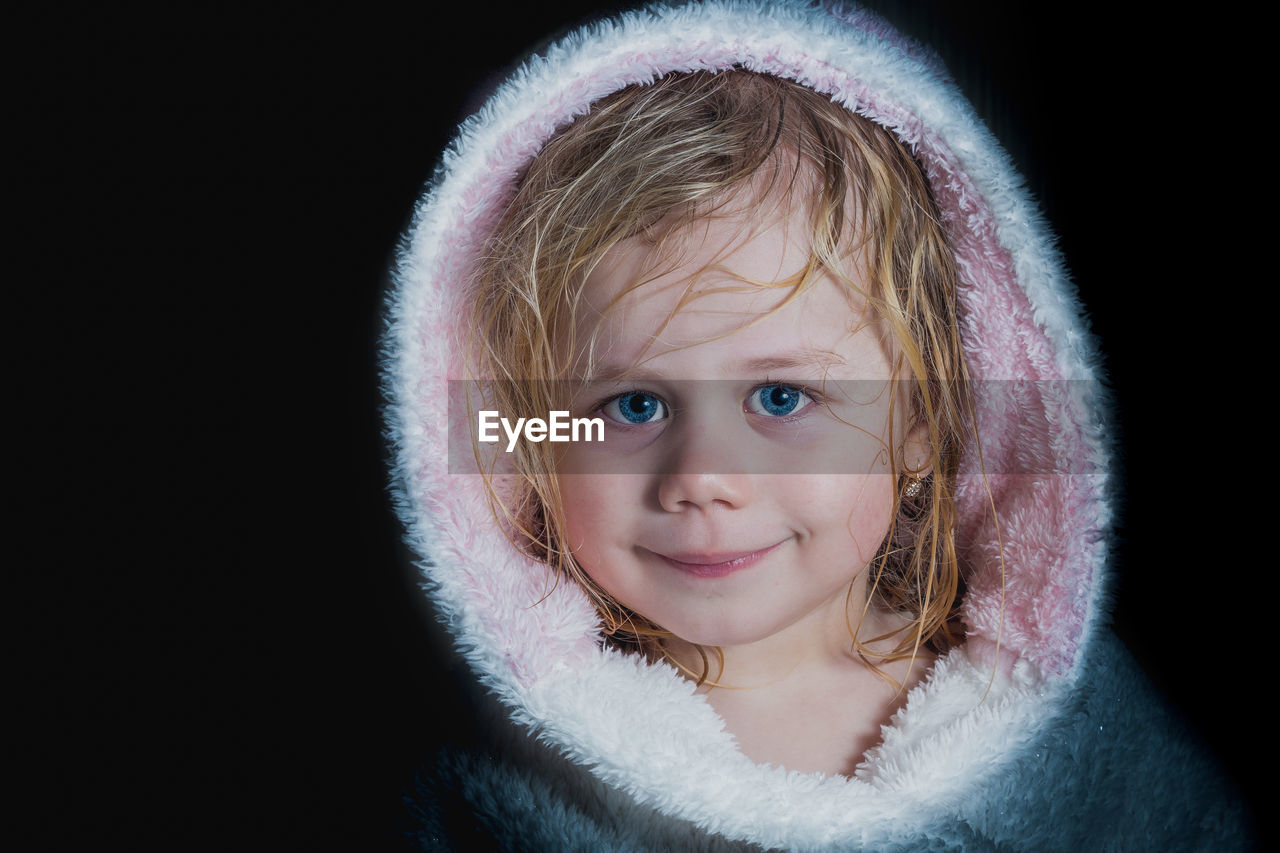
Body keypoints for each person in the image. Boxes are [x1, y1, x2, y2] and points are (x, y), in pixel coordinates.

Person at [383, 1, 1250, 848]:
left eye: (781, 397)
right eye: (633, 405)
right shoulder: (504, 765)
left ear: (920, 420)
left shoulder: (1065, 719)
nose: (704, 477)